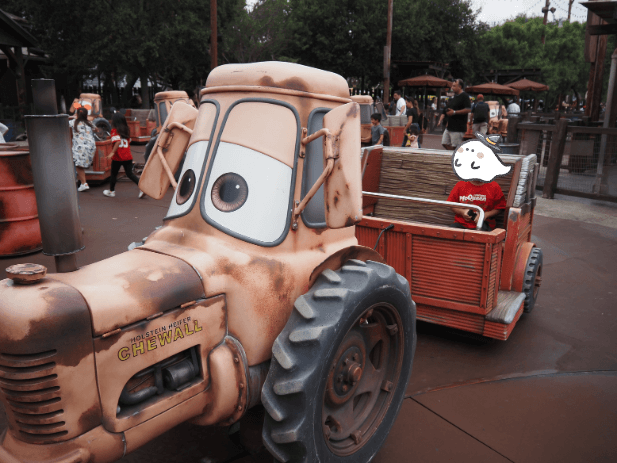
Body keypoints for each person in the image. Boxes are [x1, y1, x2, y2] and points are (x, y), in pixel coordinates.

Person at [103, 113, 143, 198]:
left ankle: (112, 191)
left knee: (113, 174)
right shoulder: (126, 129)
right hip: (128, 156)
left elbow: (117, 142)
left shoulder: (114, 130)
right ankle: (142, 189)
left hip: (118, 157)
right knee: (130, 174)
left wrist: (112, 152)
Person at [69, 107, 96, 191]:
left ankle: (84, 183)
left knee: (78, 165)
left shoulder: (72, 122)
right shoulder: (89, 123)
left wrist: (73, 117)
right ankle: (83, 182)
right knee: (81, 165)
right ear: (86, 115)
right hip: (91, 147)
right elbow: (96, 129)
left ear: (76, 114)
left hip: (80, 147)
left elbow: (67, 131)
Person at [442, 79, 471, 150]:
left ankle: (456, 157)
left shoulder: (464, 96)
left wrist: (454, 112)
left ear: (460, 87)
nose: (452, 87)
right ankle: (454, 155)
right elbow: (452, 108)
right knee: (444, 143)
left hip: (458, 127)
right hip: (450, 126)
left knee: (455, 146)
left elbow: (468, 109)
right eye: (452, 86)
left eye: (454, 86)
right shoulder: (454, 96)